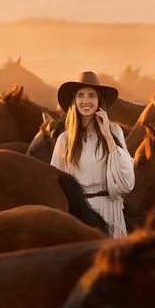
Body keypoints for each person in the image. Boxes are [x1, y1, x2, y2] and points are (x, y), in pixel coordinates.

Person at [51, 71, 135, 237]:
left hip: (110, 209)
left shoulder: (114, 132)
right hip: (79, 213)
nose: (86, 101)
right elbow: (57, 183)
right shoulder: (65, 140)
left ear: (99, 101)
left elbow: (126, 181)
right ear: (74, 101)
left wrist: (107, 135)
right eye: (80, 95)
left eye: (91, 96)